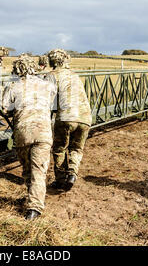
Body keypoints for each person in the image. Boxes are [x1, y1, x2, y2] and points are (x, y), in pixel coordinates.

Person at [2, 56, 56, 220]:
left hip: (23, 132)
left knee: (27, 170)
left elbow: (4, 108)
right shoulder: (48, 86)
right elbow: (52, 103)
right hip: (44, 132)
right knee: (39, 170)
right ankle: (34, 207)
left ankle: (32, 202)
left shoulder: (13, 86)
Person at [45, 49, 92, 191]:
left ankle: (60, 180)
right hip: (85, 116)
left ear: (51, 61)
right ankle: (72, 172)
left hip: (66, 117)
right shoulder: (75, 75)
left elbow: (48, 100)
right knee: (76, 148)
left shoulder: (51, 76)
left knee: (60, 148)